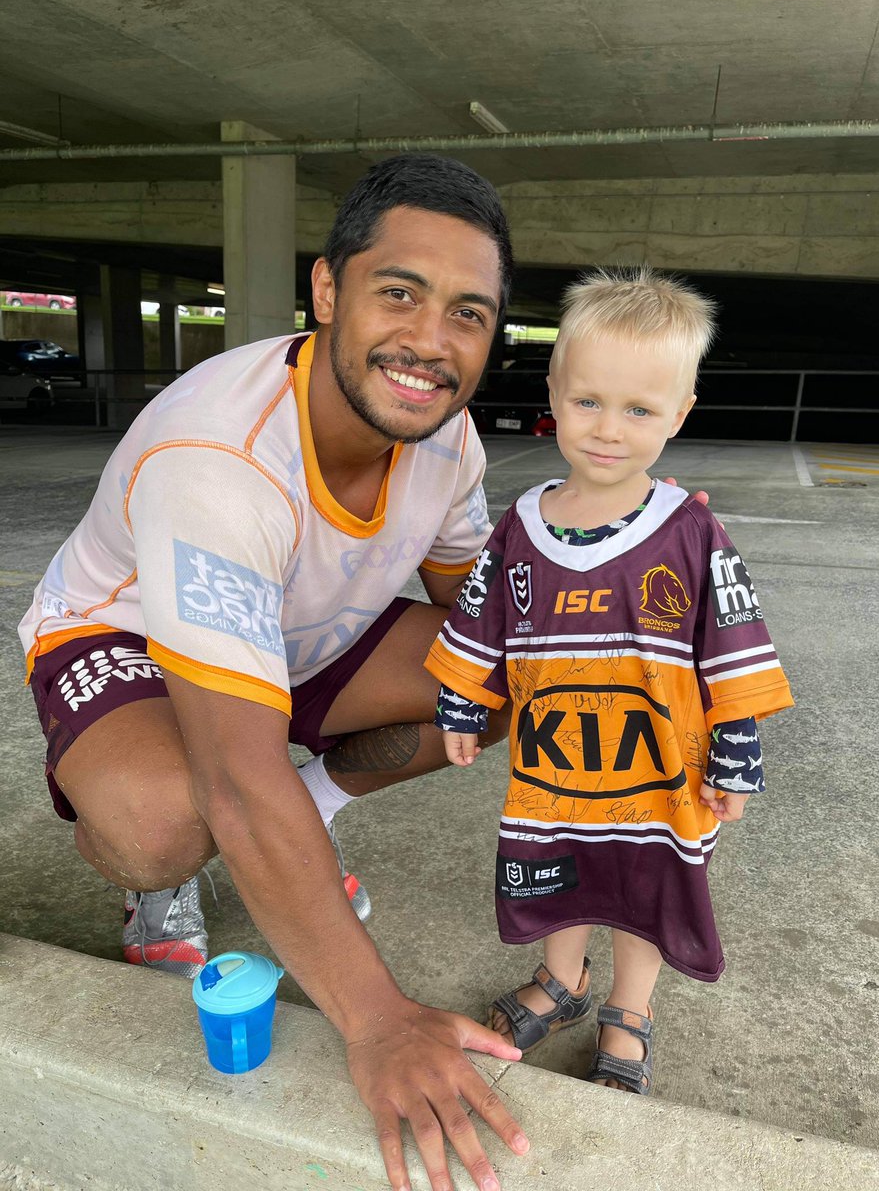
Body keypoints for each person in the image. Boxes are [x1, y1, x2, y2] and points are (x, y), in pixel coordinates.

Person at [19, 153, 531, 1191]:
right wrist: (377, 1020)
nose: (431, 342)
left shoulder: (449, 437)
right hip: (126, 642)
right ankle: (184, 882)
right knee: (174, 822)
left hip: (298, 634)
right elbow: (233, 773)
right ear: (328, 289)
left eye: (468, 314)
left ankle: (308, 811)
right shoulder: (219, 458)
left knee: (508, 675)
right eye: (401, 292)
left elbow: (472, 613)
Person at [426, 268, 794, 1096]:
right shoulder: (519, 526)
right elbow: (481, 622)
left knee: (645, 884)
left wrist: (735, 750)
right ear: (554, 390)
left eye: (640, 410)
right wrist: (461, 698)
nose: (608, 430)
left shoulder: (691, 530)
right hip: (553, 772)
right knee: (560, 873)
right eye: (588, 401)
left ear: (679, 414)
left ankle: (630, 1007)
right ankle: (562, 983)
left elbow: (731, 647)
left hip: (662, 773)